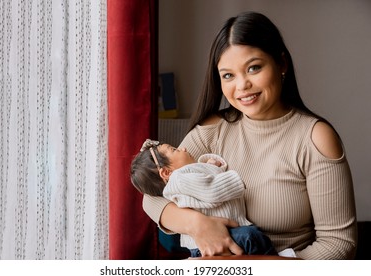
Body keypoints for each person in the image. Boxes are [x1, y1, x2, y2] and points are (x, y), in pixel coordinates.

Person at [143, 11, 357, 260]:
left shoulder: (315, 138)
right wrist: (196, 225)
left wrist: (256, 268)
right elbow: (153, 197)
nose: (242, 85)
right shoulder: (212, 130)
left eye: (254, 68)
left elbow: (339, 244)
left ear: (281, 64)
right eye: (228, 75)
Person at [130, 139, 277, 257]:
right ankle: (277, 262)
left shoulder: (187, 175)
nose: (183, 148)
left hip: (228, 232)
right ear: (167, 172)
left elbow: (203, 179)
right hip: (215, 239)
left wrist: (210, 165)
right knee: (251, 237)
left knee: (252, 238)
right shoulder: (179, 179)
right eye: (174, 150)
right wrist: (239, 180)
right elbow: (211, 190)